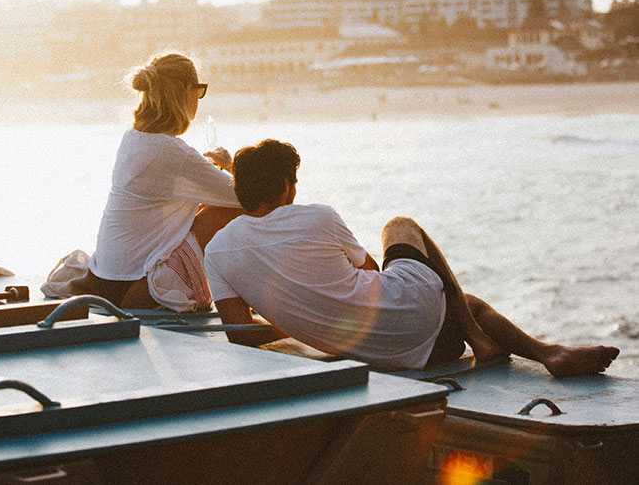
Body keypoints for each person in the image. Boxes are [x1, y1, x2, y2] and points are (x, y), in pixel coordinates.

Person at [204, 139, 620, 376]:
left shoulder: (218, 251)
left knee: (463, 304)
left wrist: (295, 319)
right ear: (285, 185)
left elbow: (240, 333)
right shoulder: (318, 217)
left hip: (377, 356)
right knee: (401, 227)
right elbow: (368, 271)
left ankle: (534, 349)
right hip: (417, 331)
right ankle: (528, 349)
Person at [86, 53, 242, 311]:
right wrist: (230, 166)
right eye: (199, 91)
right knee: (238, 209)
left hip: (105, 282)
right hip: (138, 287)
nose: (198, 100)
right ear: (186, 91)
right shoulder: (173, 152)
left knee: (202, 210)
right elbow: (247, 197)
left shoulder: (133, 139)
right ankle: (245, 304)